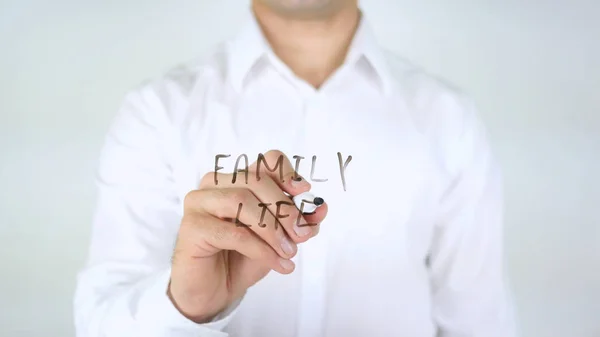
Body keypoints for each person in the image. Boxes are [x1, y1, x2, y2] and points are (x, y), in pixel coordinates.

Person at [73, 0, 518, 336]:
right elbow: (99, 320)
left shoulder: (449, 119)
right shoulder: (157, 112)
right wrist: (185, 305)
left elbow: (479, 323)